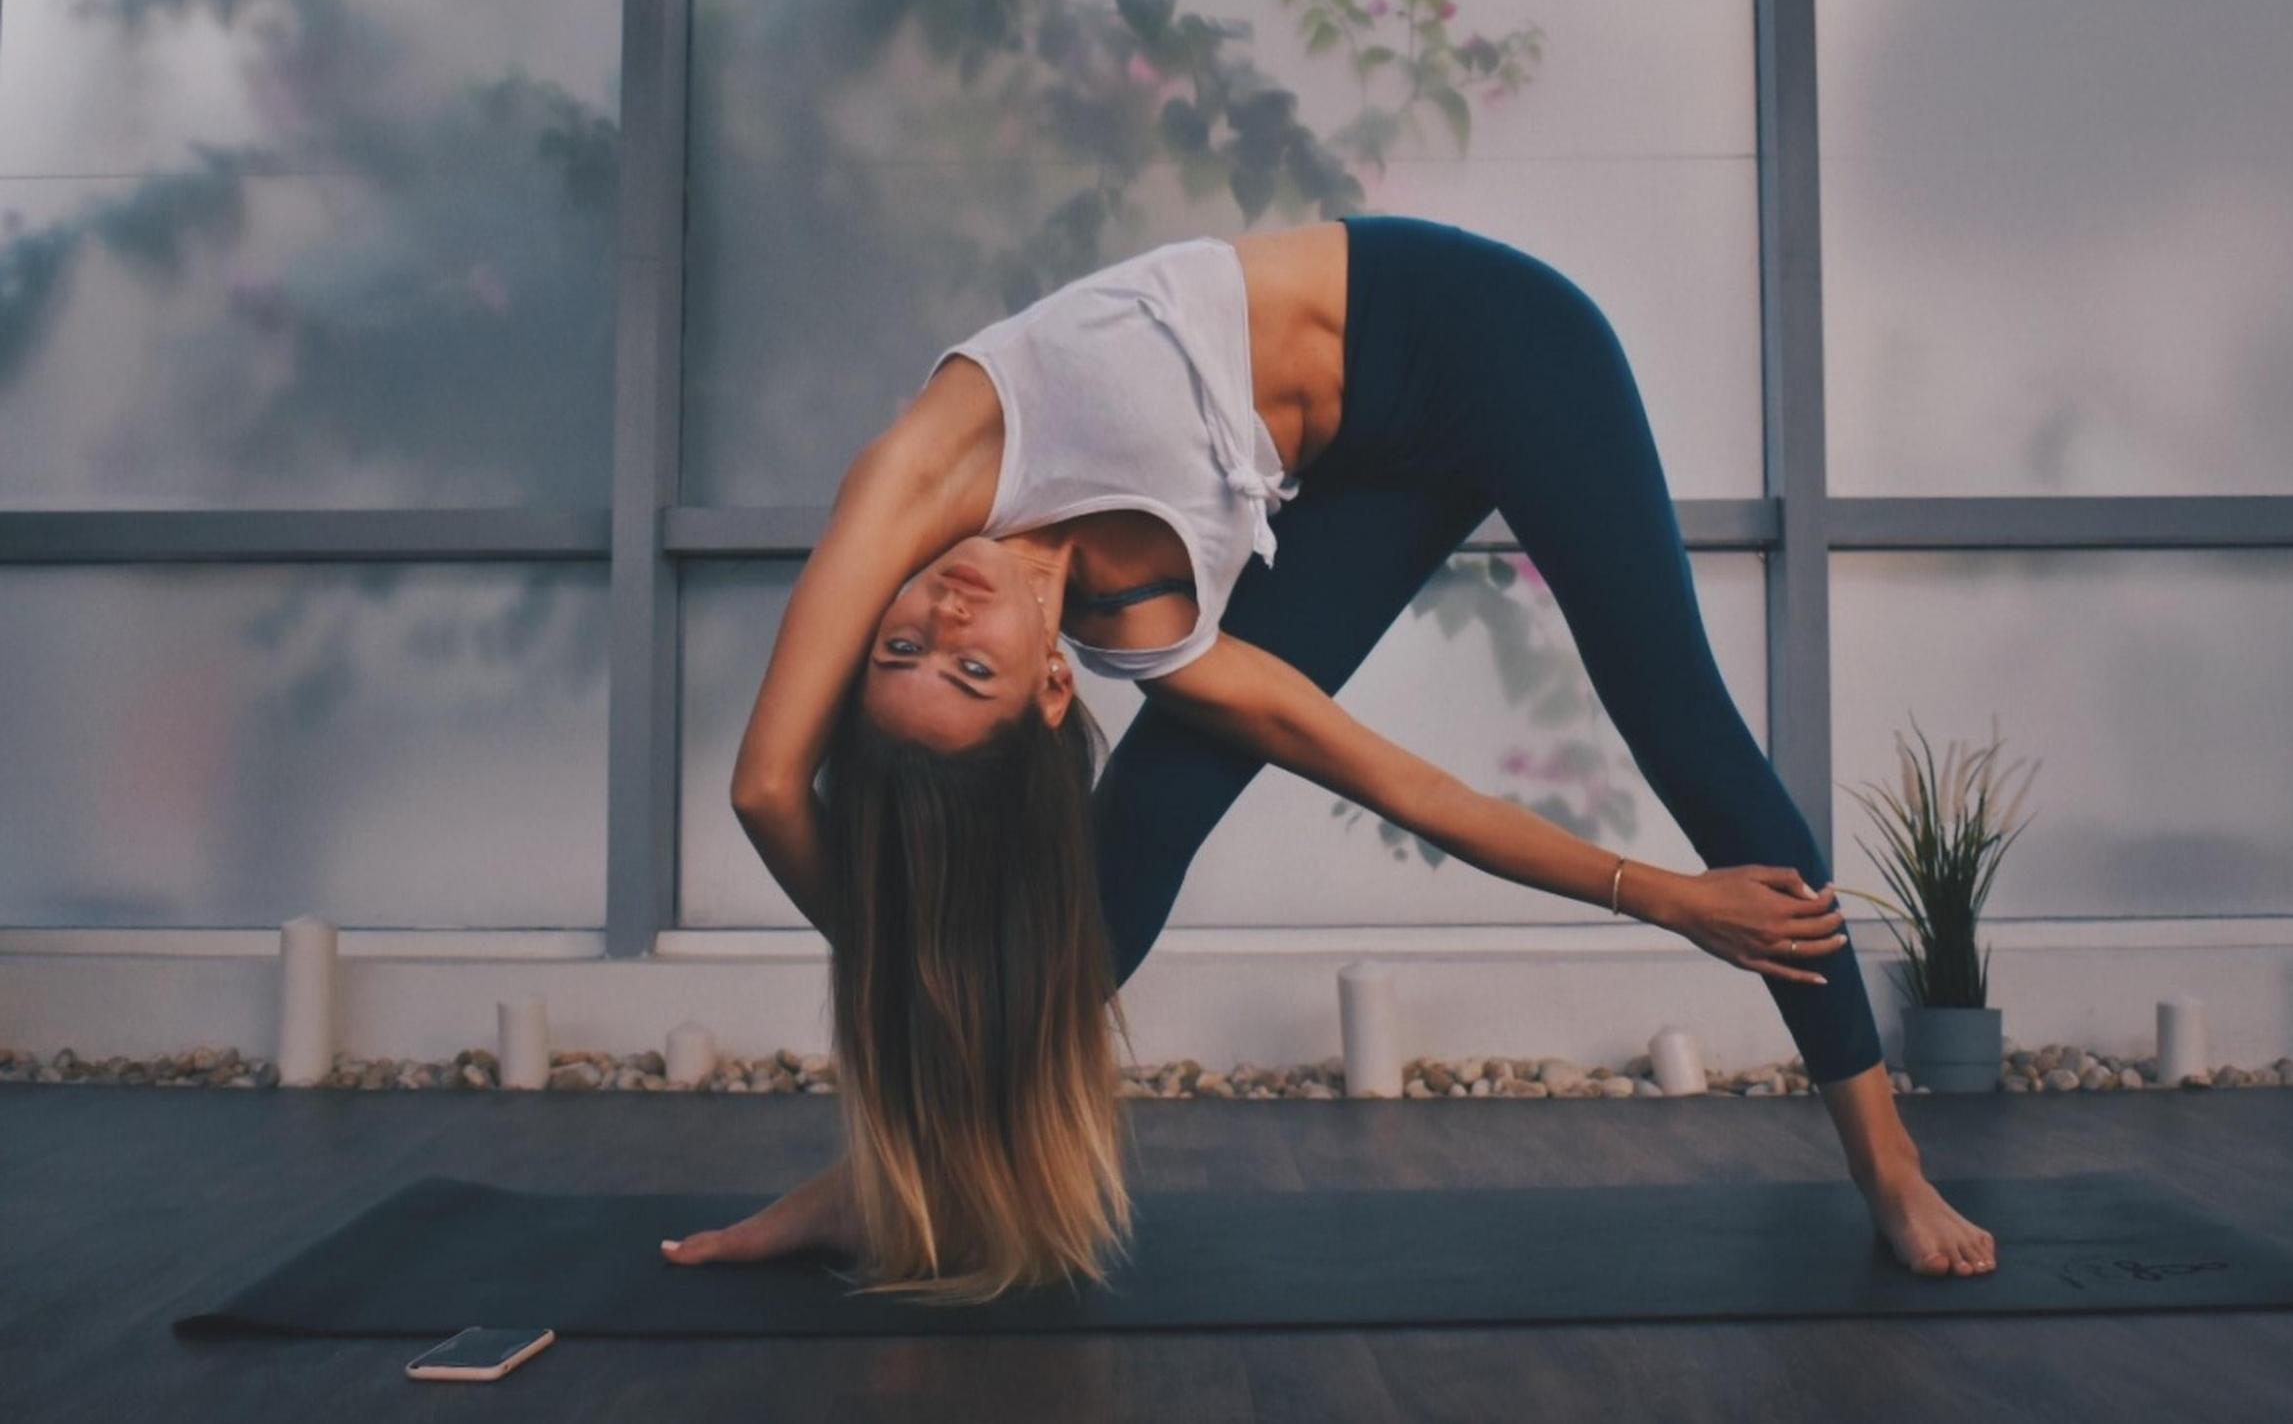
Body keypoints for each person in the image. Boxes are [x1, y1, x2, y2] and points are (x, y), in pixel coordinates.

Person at [672, 213, 1998, 1301]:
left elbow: (766, 788)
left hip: (1495, 338)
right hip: (1375, 463)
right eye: (969, 670)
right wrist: (1664, 899)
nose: (938, 621)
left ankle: (1886, 1162)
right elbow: (1397, 779)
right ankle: (895, 1174)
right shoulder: (1154, 638)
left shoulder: (916, 476)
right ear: (1049, 684)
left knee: (1688, 735)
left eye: (901, 651)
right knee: (1147, 817)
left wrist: (897, 967)